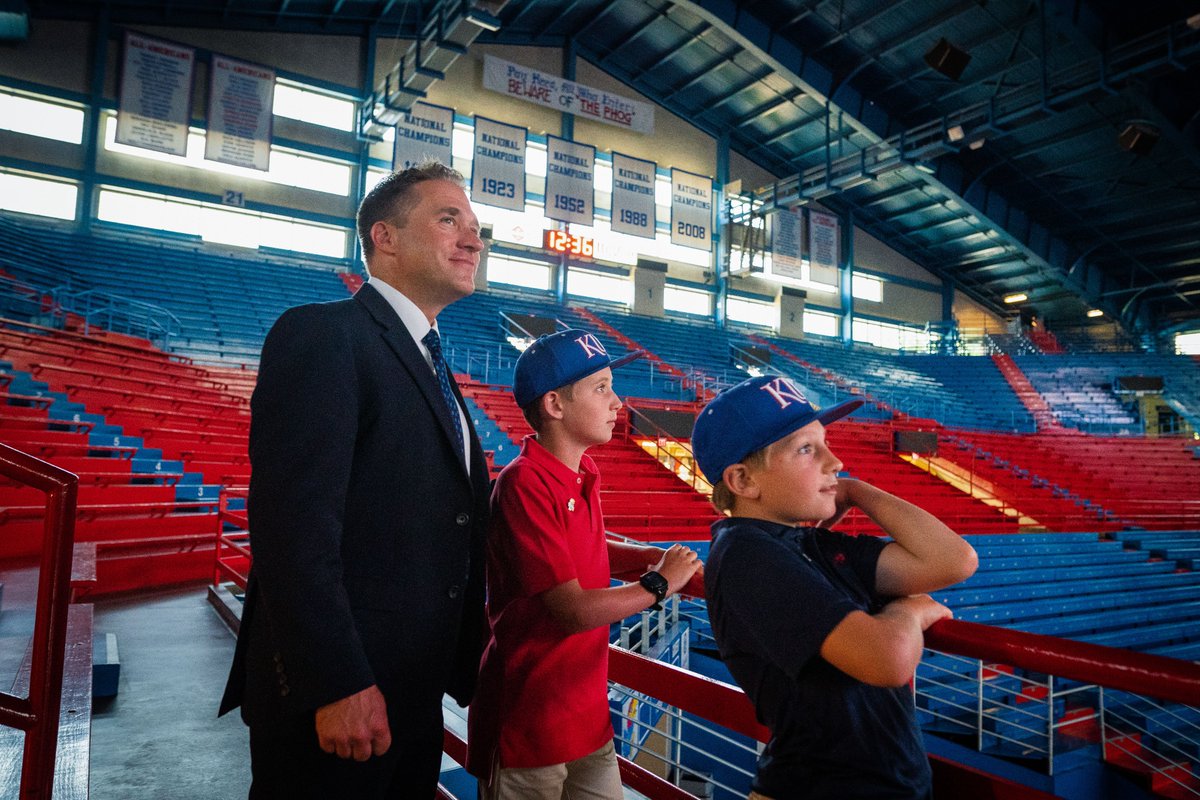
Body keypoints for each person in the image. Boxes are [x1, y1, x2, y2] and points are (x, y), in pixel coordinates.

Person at [219, 162, 492, 798]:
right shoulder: (324, 335)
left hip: (412, 688)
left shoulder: (433, 362)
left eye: (477, 228)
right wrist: (336, 682)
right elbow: (294, 529)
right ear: (384, 238)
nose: (473, 240)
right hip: (342, 693)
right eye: (449, 219)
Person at [692, 374, 978, 800]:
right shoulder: (745, 553)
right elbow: (887, 660)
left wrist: (858, 492)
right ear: (743, 482)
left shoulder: (811, 544)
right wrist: (909, 611)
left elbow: (954, 561)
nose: (835, 461)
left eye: (824, 442)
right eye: (807, 450)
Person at [466, 328, 703, 799]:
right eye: (601, 389)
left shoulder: (581, 473)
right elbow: (570, 610)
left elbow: (589, 550)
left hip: (586, 717)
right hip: (529, 722)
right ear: (554, 405)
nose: (618, 402)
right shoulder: (524, 484)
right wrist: (658, 583)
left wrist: (650, 557)